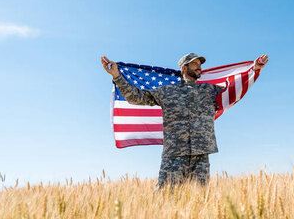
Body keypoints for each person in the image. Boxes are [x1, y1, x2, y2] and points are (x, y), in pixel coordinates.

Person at [100, 52, 269, 188]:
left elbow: (235, 88)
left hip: (201, 155)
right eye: (195, 64)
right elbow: (136, 97)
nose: (199, 67)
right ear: (184, 67)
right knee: (165, 197)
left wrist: (253, 70)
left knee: (199, 201)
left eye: (200, 64)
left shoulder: (210, 90)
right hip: (174, 154)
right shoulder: (167, 91)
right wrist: (116, 75)